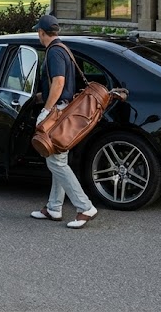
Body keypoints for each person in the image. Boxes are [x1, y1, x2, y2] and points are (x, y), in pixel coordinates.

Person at [29, 14, 98, 229]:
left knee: (56, 162)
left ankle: (85, 206)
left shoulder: (54, 52)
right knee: (59, 160)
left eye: (38, 32)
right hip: (65, 109)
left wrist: (46, 110)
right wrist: (41, 97)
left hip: (58, 112)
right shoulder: (63, 49)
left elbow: (59, 82)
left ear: (42, 32)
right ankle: (54, 208)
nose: (38, 36)